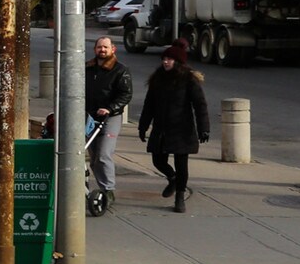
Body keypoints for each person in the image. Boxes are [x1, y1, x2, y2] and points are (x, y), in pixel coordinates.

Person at [138, 40, 210, 212]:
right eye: (164, 59)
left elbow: (200, 105)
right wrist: (143, 126)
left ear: (178, 61)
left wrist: (203, 128)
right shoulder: (157, 79)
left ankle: (179, 195)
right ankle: (172, 178)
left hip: (181, 128)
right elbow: (149, 105)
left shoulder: (188, 79)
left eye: (169, 59)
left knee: (181, 163)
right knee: (158, 160)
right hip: (161, 127)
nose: (165, 62)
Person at [84, 35, 134, 213]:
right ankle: (101, 189)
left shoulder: (120, 70)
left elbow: (126, 94)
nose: (102, 50)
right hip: (90, 117)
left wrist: (110, 108)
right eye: (99, 47)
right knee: (95, 156)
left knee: (104, 154)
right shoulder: (88, 68)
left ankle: (109, 190)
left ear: (113, 49)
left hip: (110, 117)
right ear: (95, 49)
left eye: (105, 47)